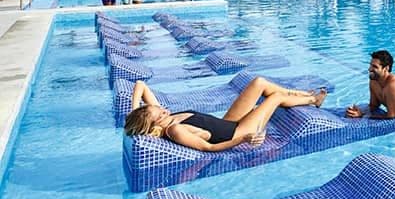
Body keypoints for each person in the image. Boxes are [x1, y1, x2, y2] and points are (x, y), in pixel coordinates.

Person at [124, 78, 327, 152]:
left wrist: (135, 111)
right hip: (238, 132)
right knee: (275, 98)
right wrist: (243, 139)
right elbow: (209, 147)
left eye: (159, 108)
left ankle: (301, 93)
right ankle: (313, 100)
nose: (163, 109)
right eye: (160, 112)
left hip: (228, 122)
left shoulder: (164, 117)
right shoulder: (174, 129)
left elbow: (141, 85)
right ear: (156, 124)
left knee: (259, 83)